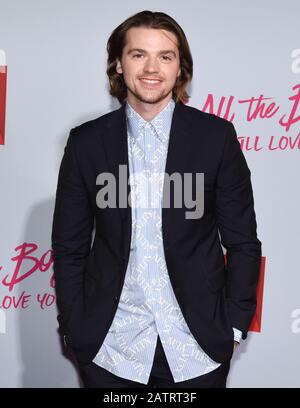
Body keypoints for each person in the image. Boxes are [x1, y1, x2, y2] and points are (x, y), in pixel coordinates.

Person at [51, 10, 262, 388]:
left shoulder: (216, 138)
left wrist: (233, 325)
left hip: (197, 347)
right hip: (111, 348)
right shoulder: (86, 143)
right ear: (118, 63)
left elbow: (244, 242)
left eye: (165, 56)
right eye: (138, 55)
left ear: (181, 67)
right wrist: (75, 327)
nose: (152, 68)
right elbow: (69, 246)